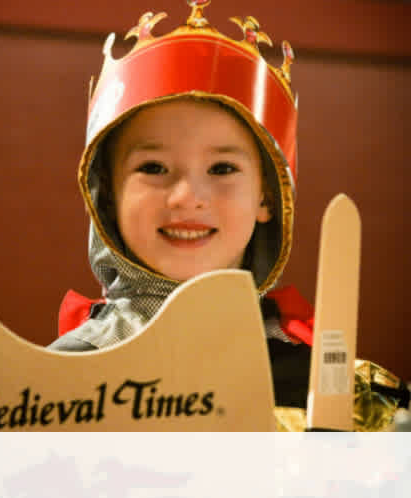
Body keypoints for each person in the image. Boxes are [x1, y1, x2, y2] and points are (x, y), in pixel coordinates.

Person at [47, 1, 407, 430]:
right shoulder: (55, 384)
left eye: (222, 169)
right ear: (107, 198)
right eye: (154, 168)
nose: (188, 197)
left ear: (267, 199)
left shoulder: (342, 391)